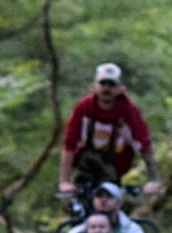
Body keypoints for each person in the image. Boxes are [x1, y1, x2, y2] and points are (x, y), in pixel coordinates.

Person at [58, 62, 164, 198]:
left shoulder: (128, 111)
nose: (107, 89)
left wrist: (154, 180)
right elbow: (69, 144)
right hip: (84, 169)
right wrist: (64, 181)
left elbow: (143, 144)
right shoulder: (83, 108)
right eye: (103, 84)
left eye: (112, 85)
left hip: (114, 170)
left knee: (109, 204)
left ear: (120, 88)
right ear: (94, 86)